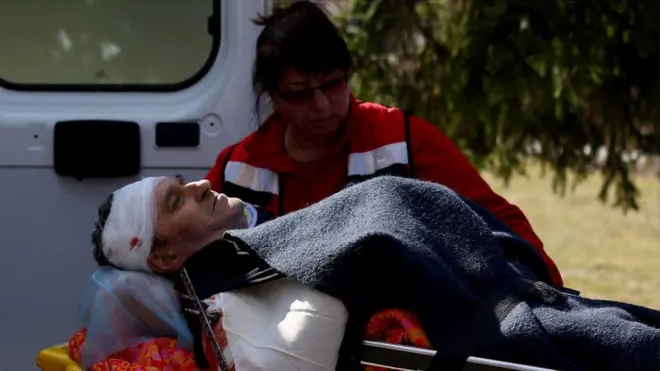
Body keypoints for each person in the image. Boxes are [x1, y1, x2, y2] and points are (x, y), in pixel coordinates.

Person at [89, 176, 660, 371]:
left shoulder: (256, 253)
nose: (195, 185)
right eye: (173, 202)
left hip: (505, 288)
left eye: (179, 182)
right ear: (163, 257)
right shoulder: (231, 305)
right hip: (500, 319)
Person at [204, 0, 563, 286]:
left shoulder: (403, 139)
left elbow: (497, 220)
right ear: (272, 96)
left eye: (333, 84)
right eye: (300, 94)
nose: (322, 105)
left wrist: (549, 292)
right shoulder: (237, 167)